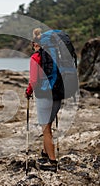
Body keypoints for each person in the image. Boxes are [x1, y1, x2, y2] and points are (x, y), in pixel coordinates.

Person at [25, 29, 62, 169]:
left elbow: (34, 80)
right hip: (58, 95)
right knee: (49, 126)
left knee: (46, 129)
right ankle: (45, 153)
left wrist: (28, 92)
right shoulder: (56, 56)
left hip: (45, 96)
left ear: (35, 44)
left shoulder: (36, 57)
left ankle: (52, 163)